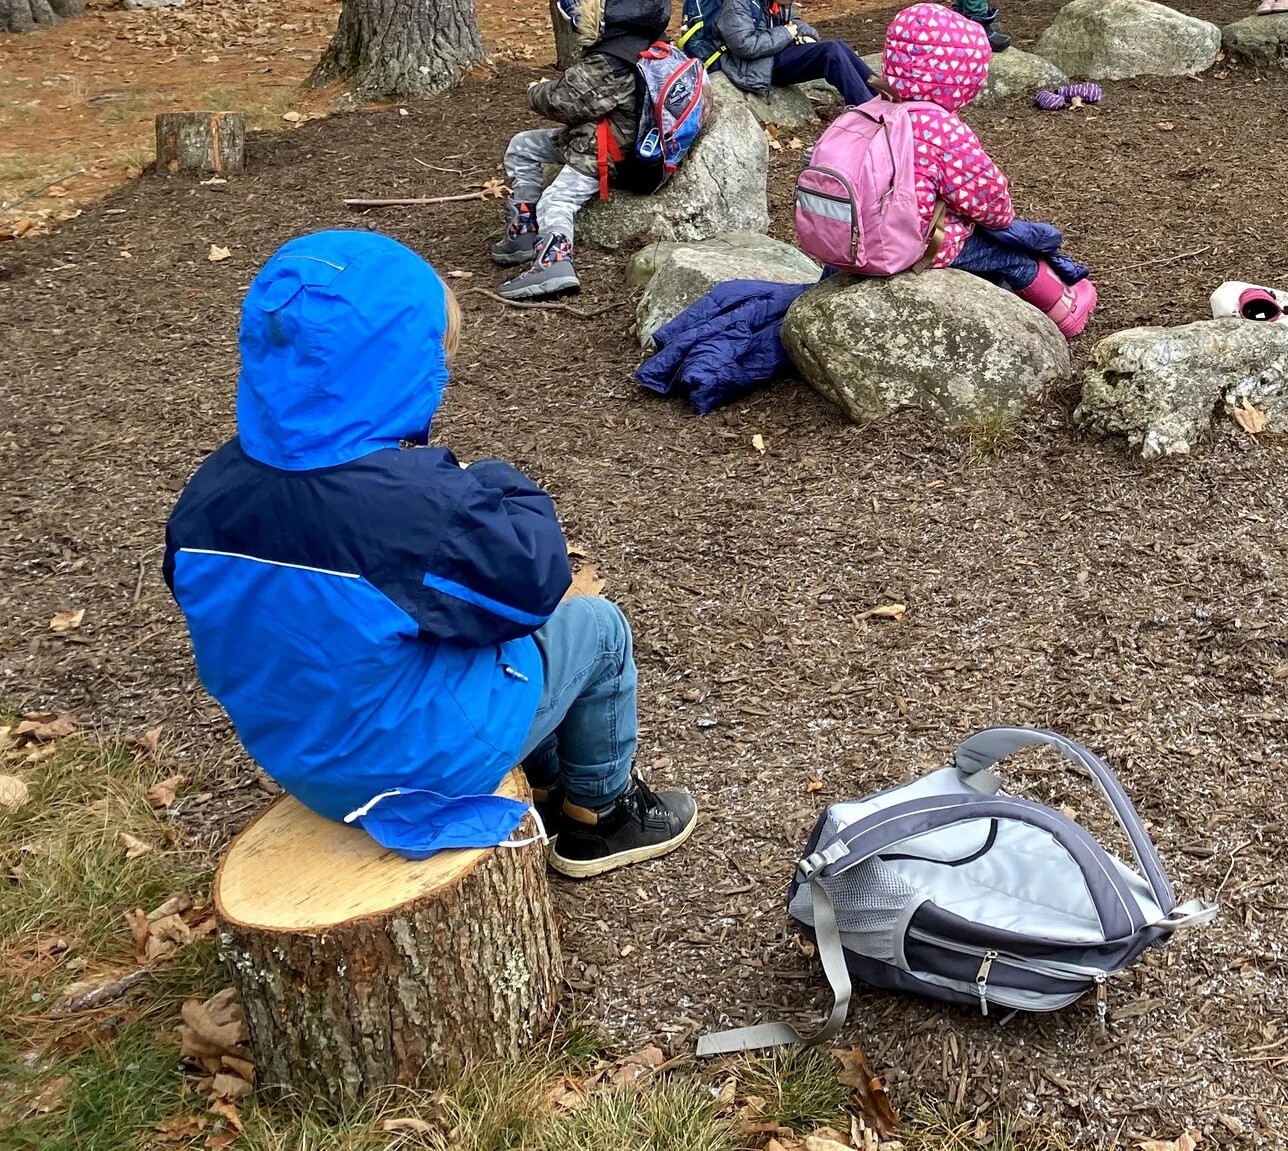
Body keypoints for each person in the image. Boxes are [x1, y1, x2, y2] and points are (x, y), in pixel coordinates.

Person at [164, 231, 698, 878]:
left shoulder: (209, 493)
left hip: (299, 755)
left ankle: (549, 778)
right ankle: (601, 819)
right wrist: (491, 480)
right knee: (597, 628)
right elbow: (534, 582)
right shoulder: (413, 508)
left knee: (420, 623)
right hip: (416, 767)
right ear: (400, 370)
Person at [871, 3, 1095, 336]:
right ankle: (1065, 309)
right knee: (1009, 254)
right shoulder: (939, 129)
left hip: (855, 239)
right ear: (957, 76)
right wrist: (1004, 223)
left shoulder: (868, 111)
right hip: (910, 246)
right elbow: (988, 200)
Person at [494, 0, 673, 301]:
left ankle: (554, 264)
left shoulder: (613, 59)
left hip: (606, 151)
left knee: (556, 200)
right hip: (614, 137)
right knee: (522, 146)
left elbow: (566, 102)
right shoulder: (649, 41)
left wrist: (535, 90)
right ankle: (523, 232)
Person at [684, 0, 877, 106]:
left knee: (838, 45)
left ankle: (881, 95)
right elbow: (745, 46)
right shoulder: (737, 4)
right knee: (830, 52)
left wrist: (807, 35)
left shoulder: (778, 3)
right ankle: (866, 109)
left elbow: (797, 23)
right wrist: (786, 33)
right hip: (753, 66)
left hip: (772, 54)